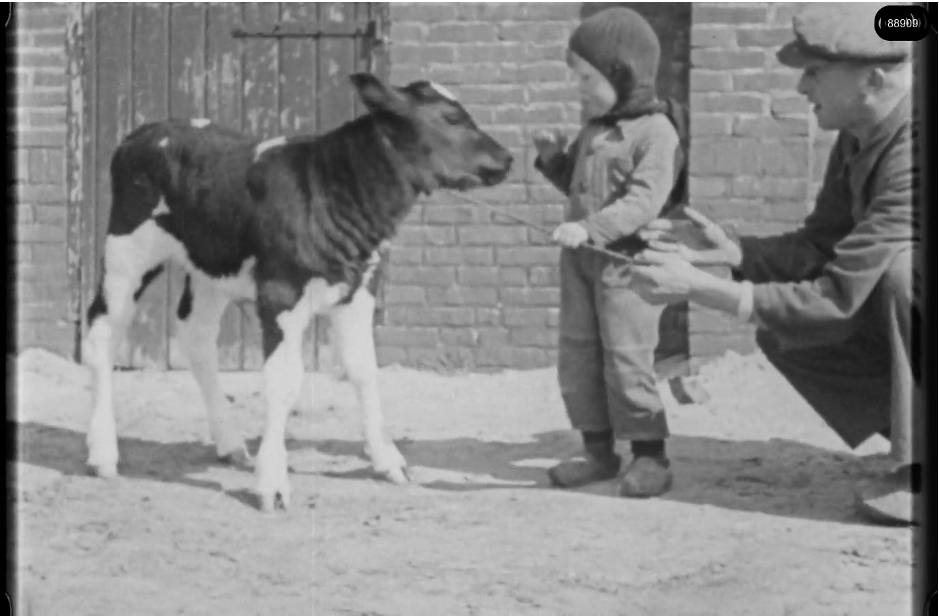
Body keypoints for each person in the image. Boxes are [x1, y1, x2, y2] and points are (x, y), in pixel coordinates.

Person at [626, 2, 919, 525]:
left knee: (902, 274)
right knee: (789, 330)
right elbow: (825, 245)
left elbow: (837, 297)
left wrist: (700, 288)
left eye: (814, 73)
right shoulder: (860, 131)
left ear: (872, 79)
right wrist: (738, 253)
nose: (802, 88)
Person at [532, 6, 690, 498]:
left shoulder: (658, 133)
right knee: (578, 355)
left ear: (621, 73)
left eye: (586, 77)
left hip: (627, 266)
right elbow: (579, 189)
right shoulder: (596, 130)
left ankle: (650, 456)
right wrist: (553, 159)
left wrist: (591, 228)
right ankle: (597, 452)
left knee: (626, 358)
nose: (579, 87)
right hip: (581, 263)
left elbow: (645, 200)